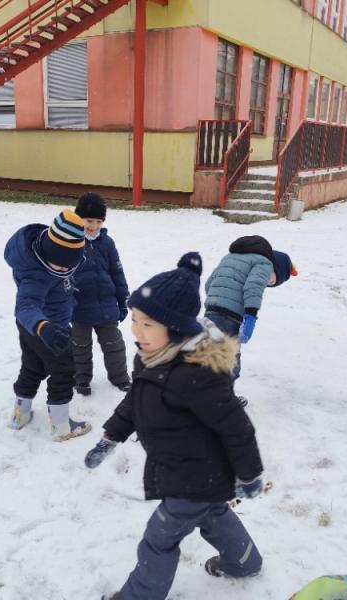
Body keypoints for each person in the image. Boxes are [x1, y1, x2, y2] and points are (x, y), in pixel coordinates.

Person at [84, 252, 265, 600]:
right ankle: (244, 561)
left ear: (177, 327)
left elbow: (236, 427)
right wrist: (110, 436)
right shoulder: (151, 356)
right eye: (134, 320)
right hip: (182, 467)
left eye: (147, 324)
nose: (136, 331)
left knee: (160, 537)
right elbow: (136, 400)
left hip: (197, 473)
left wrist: (249, 474)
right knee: (213, 514)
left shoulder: (198, 375)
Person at [4, 209, 91, 441]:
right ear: (47, 251)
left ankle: (20, 415)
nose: (62, 269)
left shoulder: (53, 257)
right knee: (63, 369)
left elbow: (59, 281)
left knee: (32, 366)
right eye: (59, 265)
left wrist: (71, 294)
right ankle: (61, 426)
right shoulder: (37, 273)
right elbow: (25, 306)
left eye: (67, 266)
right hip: (46, 328)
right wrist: (44, 328)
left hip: (32, 327)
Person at [203, 235, 296, 400]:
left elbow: (209, 284)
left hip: (211, 313)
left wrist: (216, 303)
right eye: (272, 281)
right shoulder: (264, 263)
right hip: (230, 318)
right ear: (275, 268)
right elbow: (253, 288)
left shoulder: (230, 257)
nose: (268, 283)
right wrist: (250, 316)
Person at [71, 193, 131, 395]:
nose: (94, 226)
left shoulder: (107, 243)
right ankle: (81, 380)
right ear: (79, 218)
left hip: (106, 305)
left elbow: (117, 272)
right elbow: (61, 275)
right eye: (89, 221)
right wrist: (65, 303)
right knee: (80, 347)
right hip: (79, 306)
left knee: (114, 345)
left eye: (99, 221)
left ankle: (120, 377)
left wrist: (122, 300)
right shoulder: (70, 242)